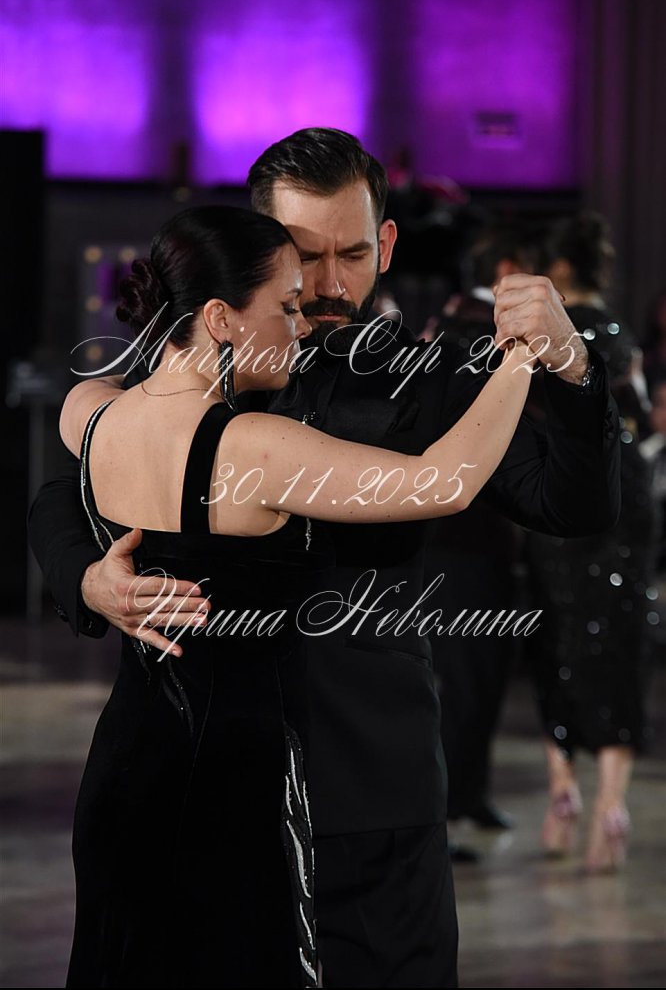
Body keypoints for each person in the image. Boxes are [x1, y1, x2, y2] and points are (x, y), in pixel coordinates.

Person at [28, 129, 621, 988]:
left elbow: (573, 505)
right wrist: (89, 579)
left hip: (371, 791)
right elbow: (66, 488)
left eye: (353, 253)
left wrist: (570, 367)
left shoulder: (431, 379)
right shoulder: (201, 368)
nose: (331, 284)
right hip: (214, 790)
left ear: (387, 243)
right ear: (262, 248)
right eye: (305, 258)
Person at [524, 211, 659, 872]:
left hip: (560, 487)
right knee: (617, 639)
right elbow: (640, 417)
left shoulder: (546, 331)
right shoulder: (618, 331)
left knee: (557, 634)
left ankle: (562, 790)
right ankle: (612, 803)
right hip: (624, 493)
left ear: (557, 268)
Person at [424, 224, 538, 858]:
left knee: (485, 676)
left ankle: (468, 794)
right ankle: (442, 809)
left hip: (485, 538)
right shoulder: (466, 328)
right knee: (461, 682)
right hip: (459, 539)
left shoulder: (460, 324)